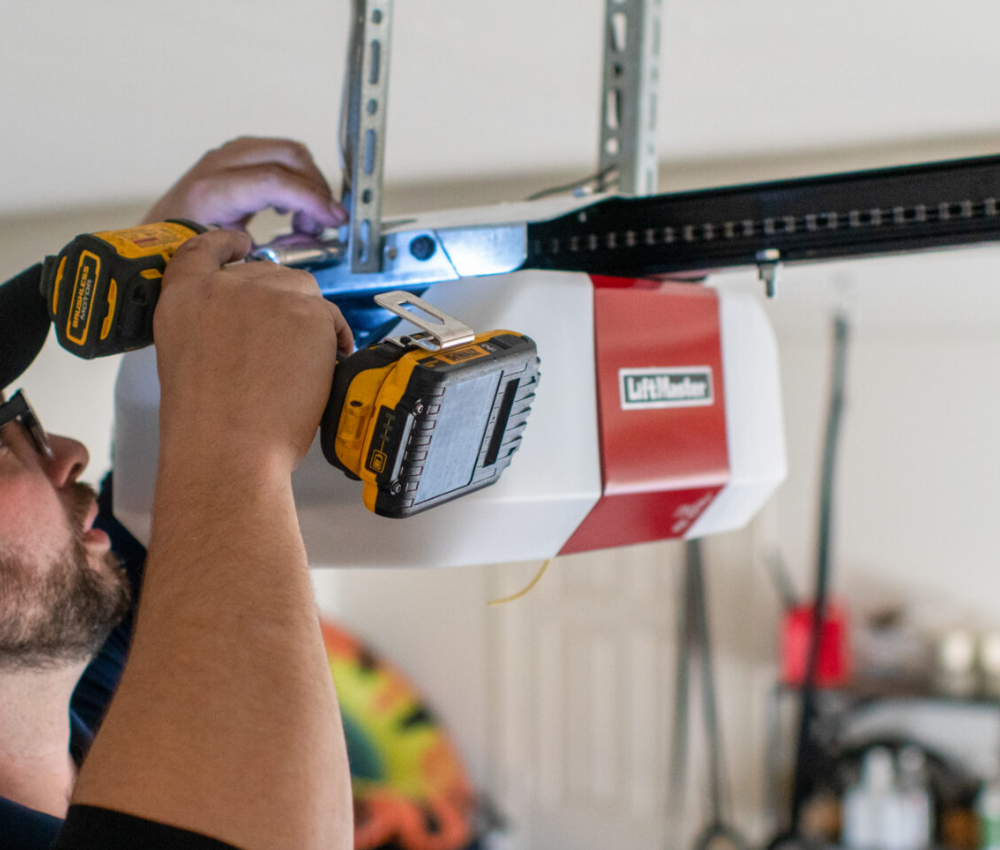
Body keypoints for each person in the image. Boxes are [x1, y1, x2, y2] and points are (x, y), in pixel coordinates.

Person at [0, 137, 356, 850]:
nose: (67, 454)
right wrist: (238, 446)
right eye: (10, 439)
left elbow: (181, 543)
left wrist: (159, 267)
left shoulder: (83, 684)